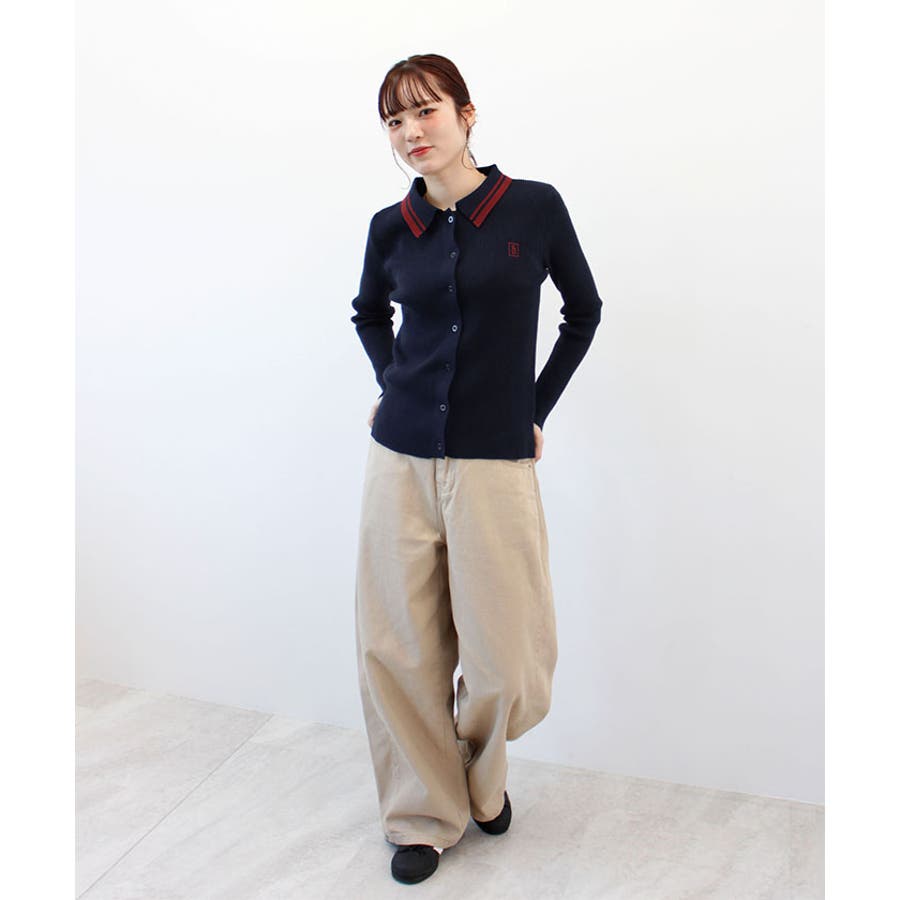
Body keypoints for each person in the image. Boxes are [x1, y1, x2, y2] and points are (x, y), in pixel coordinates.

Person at [350, 53, 603, 885]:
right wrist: (394, 384)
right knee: (399, 646)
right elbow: (368, 314)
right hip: (400, 461)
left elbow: (583, 311)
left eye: (425, 111)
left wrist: (534, 408)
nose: (410, 132)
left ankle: (479, 778)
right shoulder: (392, 227)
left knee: (509, 658)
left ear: (466, 114)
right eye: (394, 121)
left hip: (495, 459)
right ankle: (422, 815)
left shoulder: (533, 207)